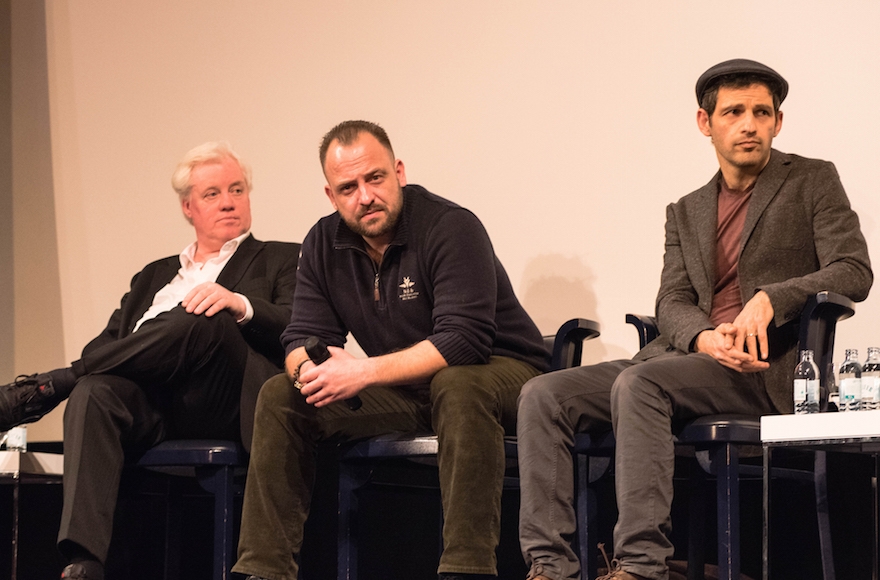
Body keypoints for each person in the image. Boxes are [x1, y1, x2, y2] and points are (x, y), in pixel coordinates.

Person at [517, 59, 873, 580]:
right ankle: (549, 567)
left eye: (761, 112)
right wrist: (704, 336)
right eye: (734, 112)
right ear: (706, 123)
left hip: (760, 369)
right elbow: (672, 300)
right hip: (685, 359)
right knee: (543, 395)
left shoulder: (812, 180)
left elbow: (853, 269)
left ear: (778, 121)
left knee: (641, 385)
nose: (749, 123)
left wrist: (773, 298)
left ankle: (640, 567)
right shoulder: (686, 210)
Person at [232, 120, 549, 580]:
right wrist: (308, 371)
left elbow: (463, 341)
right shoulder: (323, 243)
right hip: (408, 386)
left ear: (398, 171)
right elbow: (300, 337)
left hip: (502, 373)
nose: (365, 196)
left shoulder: (450, 226)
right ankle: (262, 571)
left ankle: (467, 568)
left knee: (457, 384)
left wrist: (361, 372)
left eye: (374, 178)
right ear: (331, 195)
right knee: (282, 395)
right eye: (348, 187)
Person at [0, 142, 300, 580]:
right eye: (213, 193)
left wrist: (236, 302)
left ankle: (49, 387)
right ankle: (84, 559)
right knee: (93, 389)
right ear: (188, 207)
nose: (229, 201)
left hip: (224, 400)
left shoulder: (282, 258)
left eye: (237, 189)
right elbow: (99, 354)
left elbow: (295, 324)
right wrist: (89, 369)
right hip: (154, 407)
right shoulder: (154, 276)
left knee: (206, 314)